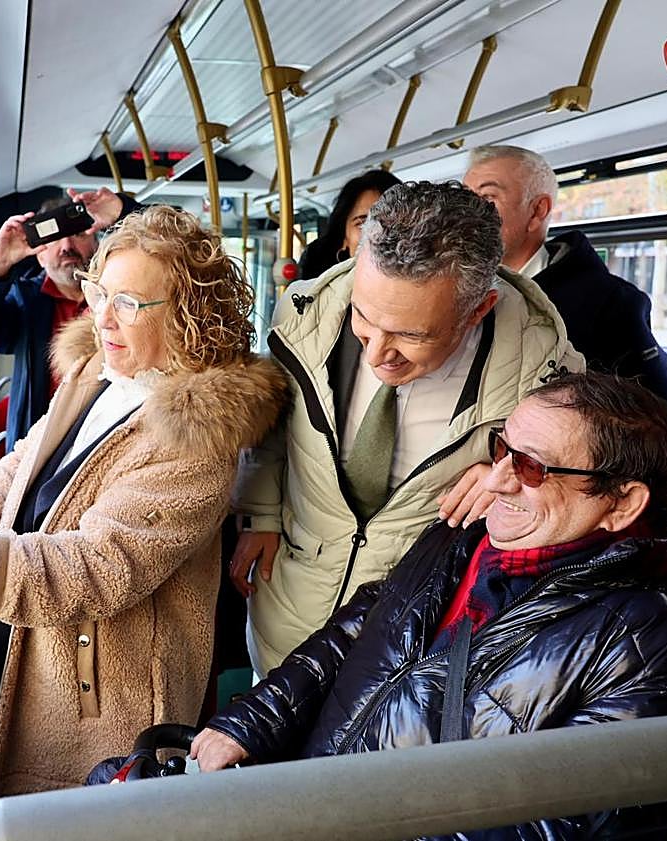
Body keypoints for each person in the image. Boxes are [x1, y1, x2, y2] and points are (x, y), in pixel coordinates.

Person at [0, 206, 289, 801]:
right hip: (28, 657)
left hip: (101, 709)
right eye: (99, 292)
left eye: (130, 304)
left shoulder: (198, 439)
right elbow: (17, 469)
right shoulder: (97, 372)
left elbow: (91, 568)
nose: (103, 317)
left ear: (190, 317)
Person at [194, 372, 667, 839]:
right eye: (502, 449)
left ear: (621, 501)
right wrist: (254, 723)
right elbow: (362, 625)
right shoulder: (466, 537)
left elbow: (559, 828)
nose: (498, 480)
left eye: (533, 467)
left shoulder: (650, 642)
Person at [231, 180, 584, 676]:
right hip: (285, 618)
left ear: (478, 308)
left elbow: (575, 504)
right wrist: (260, 513)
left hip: (406, 650)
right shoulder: (302, 315)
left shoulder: (544, 373)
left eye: (411, 335)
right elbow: (277, 422)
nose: (377, 354)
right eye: (364, 317)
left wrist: (512, 481)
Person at [463, 144, 667, 431]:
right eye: (465, 198)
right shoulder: (458, 290)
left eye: (487, 197)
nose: (469, 213)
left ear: (537, 211)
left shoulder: (610, 304)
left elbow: (660, 424)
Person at [0, 186, 140, 451]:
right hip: (39, 448)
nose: (66, 246)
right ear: (39, 255)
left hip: (113, 439)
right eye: (54, 239)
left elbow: (177, 253)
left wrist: (124, 211)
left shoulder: (124, 297)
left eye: (76, 234)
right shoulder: (24, 304)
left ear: (96, 245)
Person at [297, 170, 402, 279]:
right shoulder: (321, 294)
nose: (376, 232)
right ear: (344, 238)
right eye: (362, 223)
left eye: (388, 221)